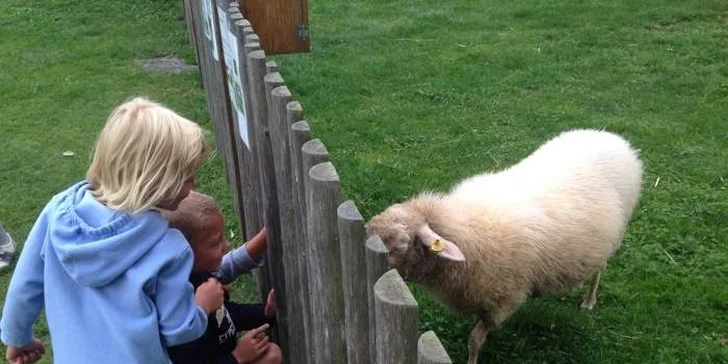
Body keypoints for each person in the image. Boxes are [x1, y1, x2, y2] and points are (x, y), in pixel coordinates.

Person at [0, 97, 225, 364]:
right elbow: (179, 329)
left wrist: (18, 337)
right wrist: (203, 304)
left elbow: (25, 286)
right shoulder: (168, 247)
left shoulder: (57, 212)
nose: (194, 184)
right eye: (187, 178)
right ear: (156, 180)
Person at [162, 191, 282, 364]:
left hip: (225, 355)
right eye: (215, 243)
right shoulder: (178, 315)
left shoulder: (202, 279)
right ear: (183, 252)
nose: (226, 244)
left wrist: (264, 313)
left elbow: (227, 315)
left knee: (272, 354)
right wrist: (237, 357)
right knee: (272, 356)